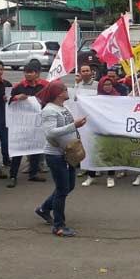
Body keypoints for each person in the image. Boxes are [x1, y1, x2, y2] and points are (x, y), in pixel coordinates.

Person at [35, 81, 87, 237]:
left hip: (67, 153)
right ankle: (58, 226)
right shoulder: (49, 110)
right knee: (62, 189)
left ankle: (43, 209)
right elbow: (50, 133)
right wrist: (74, 126)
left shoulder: (62, 107)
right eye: (65, 89)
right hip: (56, 155)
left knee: (68, 186)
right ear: (58, 93)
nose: (67, 91)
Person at [6, 63, 46, 188]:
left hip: (37, 123)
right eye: (26, 72)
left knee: (35, 148)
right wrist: (15, 97)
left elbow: (51, 98)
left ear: (38, 73)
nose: (28, 74)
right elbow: (7, 101)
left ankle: (33, 173)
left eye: (31, 72)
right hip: (21, 124)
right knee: (18, 150)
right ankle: (13, 176)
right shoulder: (19, 86)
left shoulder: (45, 85)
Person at [82, 77, 120, 188]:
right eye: (105, 84)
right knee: (93, 152)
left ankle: (110, 177)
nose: (108, 86)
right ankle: (91, 176)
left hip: (111, 129)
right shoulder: (95, 99)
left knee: (110, 153)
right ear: (101, 86)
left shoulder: (117, 97)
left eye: (110, 84)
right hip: (97, 128)